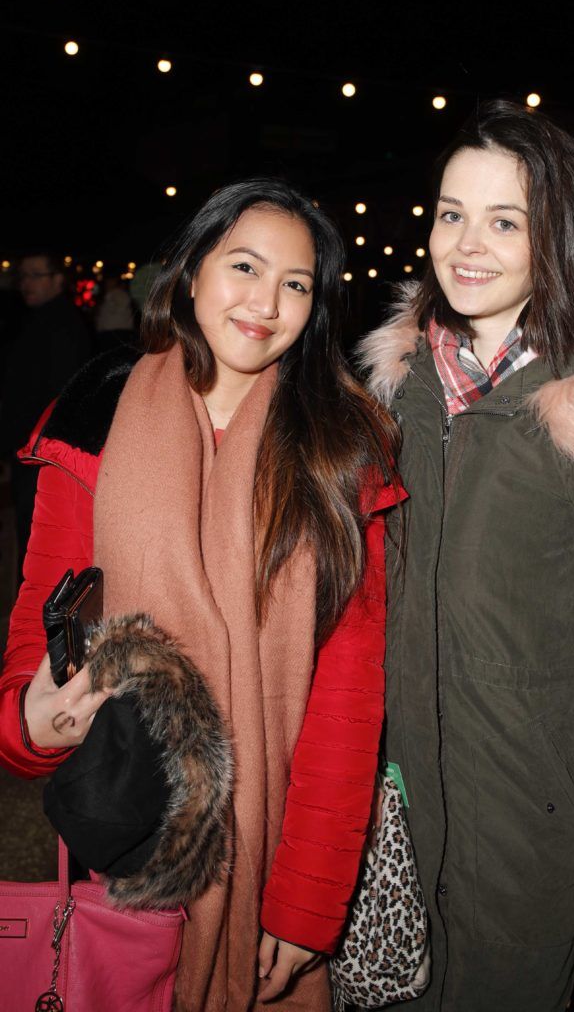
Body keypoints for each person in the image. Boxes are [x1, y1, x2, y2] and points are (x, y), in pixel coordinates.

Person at [0, 180, 401, 1011]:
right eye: (245, 267)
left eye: (296, 283)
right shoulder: (95, 412)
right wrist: (27, 726)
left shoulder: (340, 447)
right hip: (131, 845)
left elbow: (346, 700)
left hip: (272, 862)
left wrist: (306, 906)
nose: (267, 302)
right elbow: (40, 618)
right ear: (189, 274)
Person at [357, 99, 574, 1012]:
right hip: (397, 784)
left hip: (524, 797)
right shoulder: (403, 389)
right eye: (451, 213)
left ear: (560, 234)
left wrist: (523, 683)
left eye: (506, 220)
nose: (467, 242)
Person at [0, 251, 91, 580]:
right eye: (22, 276)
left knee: (38, 541)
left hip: (43, 455)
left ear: (57, 280)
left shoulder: (62, 325)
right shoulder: (33, 318)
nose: (25, 283)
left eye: (35, 275)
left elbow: (59, 395)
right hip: (30, 449)